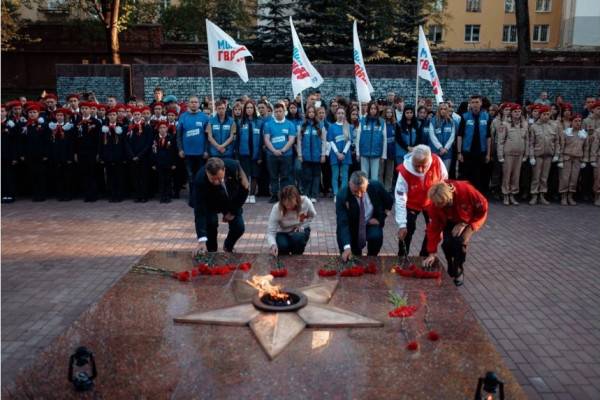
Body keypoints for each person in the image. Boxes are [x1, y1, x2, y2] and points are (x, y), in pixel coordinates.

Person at [423, 180, 488, 287]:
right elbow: (433, 229)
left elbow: (483, 208)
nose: (436, 205)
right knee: (447, 244)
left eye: (439, 204)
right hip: (449, 220)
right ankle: (450, 263)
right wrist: (432, 253)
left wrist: (466, 223)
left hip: (469, 219)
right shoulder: (435, 206)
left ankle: (458, 268)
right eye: (435, 203)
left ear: (447, 198)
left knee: (460, 242)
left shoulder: (466, 190)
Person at [395, 144, 447, 258]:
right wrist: (401, 224)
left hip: (431, 202)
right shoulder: (404, 171)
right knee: (408, 227)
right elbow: (400, 199)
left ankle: (425, 255)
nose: (420, 169)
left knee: (433, 229)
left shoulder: (437, 163)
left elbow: (444, 182)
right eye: (416, 166)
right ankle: (402, 256)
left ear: (429, 161)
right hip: (411, 203)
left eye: (423, 166)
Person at [193, 157, 249, 254]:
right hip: (210, 203)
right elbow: (199, 211)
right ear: (207, 172)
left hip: (231, 200)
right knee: (211, 223)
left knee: (239, 227)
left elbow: (244, 189)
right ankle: (212, 251)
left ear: (224, 170)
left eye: (219, 179)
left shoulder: (234, 167)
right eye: (212, 179)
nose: (216, 182)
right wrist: (201, 240)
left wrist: (232, 211)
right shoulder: (200, 180)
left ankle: (228, 247)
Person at [336, 170, 393, 261]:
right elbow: (343, 223)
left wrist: (381, 218)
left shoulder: (376, 186)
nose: (359, 194)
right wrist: (347, 247)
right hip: (352, 226)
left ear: (367, 184)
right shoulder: (342, 196)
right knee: (352, 258)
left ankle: (371, 257)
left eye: (362, 191)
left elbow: (389, 201)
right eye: (355, 191)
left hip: (370, 223)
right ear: (349, 183)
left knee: (376, 236)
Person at [176, 96, 209, 204]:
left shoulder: (204, 117)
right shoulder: (183, 117)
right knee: (190, 177)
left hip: (201, 154)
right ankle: (192, 199)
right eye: (192, 102)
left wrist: (206, 150)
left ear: (199, 104)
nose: (194, 104)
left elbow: (208, 136)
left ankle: (200, 198)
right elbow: (179, 135)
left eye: (196, 102)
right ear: (188, 104)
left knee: (200, 177)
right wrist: (180, 149)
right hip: (187, 154)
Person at [457, 95, 492, 194]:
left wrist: (488, 154)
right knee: (466, 175)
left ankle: (477, 195)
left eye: (477, 102)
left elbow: (489, 137)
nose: (475, 104)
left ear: (481, 103)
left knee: (480, 176)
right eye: (473, 102)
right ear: (470, 104)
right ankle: (465, 194)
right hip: (467, 152)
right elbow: (460, 135)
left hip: (481, 151)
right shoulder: (464, 117)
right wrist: (459, 153)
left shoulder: (487, 116)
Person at [267, 185, 316, 256]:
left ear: (297, 200)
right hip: (283, 232)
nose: (289, 207)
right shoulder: (276, 208)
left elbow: (312, 215)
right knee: (282, 246)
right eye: (286, 205)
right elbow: (271, 231)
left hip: (300, 231)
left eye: (291, 205)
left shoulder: (306, 202)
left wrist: (302, 226)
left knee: (298, 238)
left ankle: (297, 255)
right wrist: (272, 245)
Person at [263, 103, 297, 203]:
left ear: (284, 112)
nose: (278, 113)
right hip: (271, 155)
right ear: (274, 112)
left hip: (286, 155)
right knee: (273, 176)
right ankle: (274, 195)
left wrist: (282, 150)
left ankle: (284, 196)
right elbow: (267, 139)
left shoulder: (290, 124)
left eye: (280, 111)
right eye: (276, 111)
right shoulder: (268, 124)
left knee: (285, 177)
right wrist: (274, 151)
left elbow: (291, 140)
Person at [497, 103, 528, 206]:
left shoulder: (524, 124)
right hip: (508, 154)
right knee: (507, 176)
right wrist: (500, 156)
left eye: (519, 112)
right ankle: (505, 195)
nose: (517, 113)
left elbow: (526, 140)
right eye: (515, 111)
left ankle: (513, 195)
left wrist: (525, 155)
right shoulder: (505, 124)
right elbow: (501, 141)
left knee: (516, 176)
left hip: (519, 155)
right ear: (511, 113)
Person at [528, 105, 559, 205]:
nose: (546, 116)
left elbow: (557, 141)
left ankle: (542, 195)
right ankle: (534, 195)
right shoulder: (534, 126)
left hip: (549, 155)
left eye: (547, 114)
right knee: (536, 177)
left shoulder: (554, 126)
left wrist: (556, 154)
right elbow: (531, 143)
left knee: (544, 177)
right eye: (544, 114)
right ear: (540, 115)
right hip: (538, 155)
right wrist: (531, 156)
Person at [557, 114, 589, 206]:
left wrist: (584, 160)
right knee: (565, 178)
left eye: (579, 121)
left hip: (577, 159)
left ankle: (570, 196)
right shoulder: (566, 133)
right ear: (571, 122)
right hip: (567, 158)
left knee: (574, 178)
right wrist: (560, 159)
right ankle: (563, 196)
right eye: (576, 121)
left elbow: (586, 148)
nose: (578, 123)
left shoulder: (583, 134)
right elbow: (561, 146)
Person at [297, 106, 326, 202]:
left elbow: (324, 142)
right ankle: (306, 194)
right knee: (306, 176)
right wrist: (300, 154)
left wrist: (323, 155)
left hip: (317, 156)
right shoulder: (302, 126)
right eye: (309, 112)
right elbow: (299, 141)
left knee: (316, 176)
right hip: (306, 156)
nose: (311, 114)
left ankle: (314, 195)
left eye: (313, 112)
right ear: (307, 113)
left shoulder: (320, 126)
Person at [74, 101, 102, 202]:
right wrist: (76, 153)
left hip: (92, 152)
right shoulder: (77, 122)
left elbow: (99, 139)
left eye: (86, 108)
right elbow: (75, 139)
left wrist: (98, 153)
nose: (84, 110)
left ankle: (94, 195)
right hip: (81, 152)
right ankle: (87, 194)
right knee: (84, 173)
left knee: (93, 173)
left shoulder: (96, 122)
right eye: (83, 109)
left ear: (90, 110)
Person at [237, 101, 262, 204]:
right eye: (247, 108)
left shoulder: (259, 122)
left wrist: (260, 155)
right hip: (244, 153)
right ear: (245, 110)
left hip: (256, 153)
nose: (249, 110)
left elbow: (262, 140)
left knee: (255, 175)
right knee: (245, 175)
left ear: (254, 109)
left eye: (251, 108)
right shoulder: (240, 122)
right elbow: (237, 139)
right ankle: (246, 193)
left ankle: (252, 194)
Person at [126, 107, 153, 202]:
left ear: (141, 115)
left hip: (143, 157)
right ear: (132, 116)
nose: (137, 116)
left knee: (144, 177)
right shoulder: (129, 127)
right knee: (135, 177)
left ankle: (144, 196)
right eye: (135, 115)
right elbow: (127, 143)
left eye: (138, 114)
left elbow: (149, 143)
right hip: (133, 157)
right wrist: (132, 155)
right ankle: (137, 195)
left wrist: (140, 155)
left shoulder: (147, 127)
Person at [99, 108, 126, 202]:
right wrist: (102, 156)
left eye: (114, 115)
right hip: (108, 156)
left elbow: (124, 143)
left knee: (119, 176)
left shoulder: (121, 126)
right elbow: (101, 143)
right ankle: (112, 195)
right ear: (107, 116)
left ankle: (119, 195)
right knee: (110, 176)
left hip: (118, 156)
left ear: (117, 116)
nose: (112, 117)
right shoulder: (104, 128)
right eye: (110, 115)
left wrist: (123, 156)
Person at [49, 108, 75, 201]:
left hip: (66, 155)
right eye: (58, 115)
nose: (59, 117)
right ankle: (60, 194)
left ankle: (68, 194)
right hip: (56, 155)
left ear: (64, 117)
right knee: (58, 175)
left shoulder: (68, 127)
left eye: (61, 115)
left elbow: (71, 143)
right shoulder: (52, 127)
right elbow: (50, 142)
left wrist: (70, 156)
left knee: (67, 176)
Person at [328, 107, 354, 200]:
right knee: (335, 175)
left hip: (345, 155)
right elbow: (331, 141)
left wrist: (343, 153)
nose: (340, 115)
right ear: (336, 115)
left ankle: (343, 194)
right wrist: (337, 153)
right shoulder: (332, 127)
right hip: (335, 155)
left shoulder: (348, 126)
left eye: (342, 113)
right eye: (339, 113)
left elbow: (349, 141)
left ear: (345, 115)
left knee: (344, 175)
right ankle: (336, 194)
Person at [357, 101, 387, 180]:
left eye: (374, 108)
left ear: (377, 110)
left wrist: (384, 155)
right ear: (368, 109)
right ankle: (364, 192)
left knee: (374, 178)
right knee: (364, 177)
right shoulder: (362, 121)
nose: (373, 110)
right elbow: (358, 138)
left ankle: (373, 192)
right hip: (364, 153)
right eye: (371, 108)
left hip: (376, 153)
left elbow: (384, 140)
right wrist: (357, 152)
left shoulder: (382, 122)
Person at [152, 121, 178, 203]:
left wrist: (174, 163)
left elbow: (174, 151)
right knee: (161, 180)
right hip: (159, 163)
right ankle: (162, 196)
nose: (162, 129)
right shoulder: (155, 139)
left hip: (168, 163)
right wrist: (154, 163)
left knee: (168, 180)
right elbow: (153, 152)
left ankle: (168, 195)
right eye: (160, 128)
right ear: (158, 129)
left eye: (164, 127)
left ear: (167, 128)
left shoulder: (171, 138)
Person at [428, 102, 455, 171]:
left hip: (447, 152)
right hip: (436, 151)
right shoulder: (433, 121)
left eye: (445, 109)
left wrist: (445, 148)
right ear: (438, 110)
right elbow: (432, 136)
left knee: (445, 173)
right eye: (441, 109)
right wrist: (440, 148)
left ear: (447, 110)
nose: (443, 111)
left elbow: (452, 137)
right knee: (435, 173)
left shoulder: (451, 122)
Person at [380, 106, 397, 192]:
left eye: (391, 112)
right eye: (387, 112)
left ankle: (388, 189)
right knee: (381, 172)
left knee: (389, 173)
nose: (389, 114)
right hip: (382, 151)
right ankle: (381, 188)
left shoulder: (395, 125)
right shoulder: (381, 123)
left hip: (391, 151)